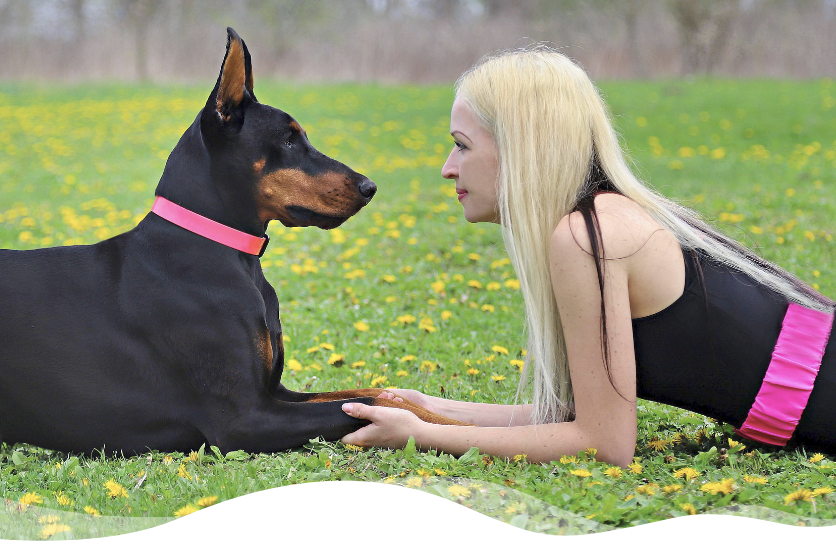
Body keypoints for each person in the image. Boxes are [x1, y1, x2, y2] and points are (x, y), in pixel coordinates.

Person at [339, 47, 835, 467]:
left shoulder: (587, 235)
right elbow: (571, 418)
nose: (448, 169)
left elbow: (602, 443)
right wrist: (428, 408)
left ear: (522, 148)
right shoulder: (596, 220)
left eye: (461, 146)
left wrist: (423, 436)